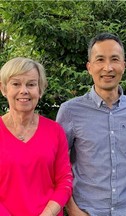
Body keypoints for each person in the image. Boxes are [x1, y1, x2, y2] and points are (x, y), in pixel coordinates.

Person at [56, 32, 126, 216]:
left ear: (123, 65)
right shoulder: (70, 111)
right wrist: (72, 210)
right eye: (100, 60)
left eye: (114, 59)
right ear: (89, 67)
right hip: (86, 211)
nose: (108, 67)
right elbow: (58, 164)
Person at [0, 57, 73, 216]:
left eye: (31, 84)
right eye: (16, 84)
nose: (24, 90)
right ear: (4, 88)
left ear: (40, 90)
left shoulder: (55, 131)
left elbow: (64, 181)